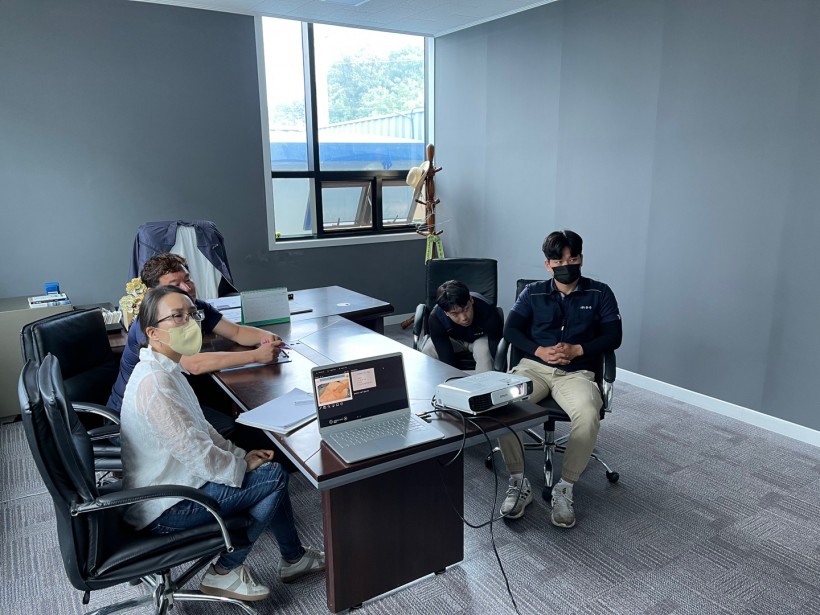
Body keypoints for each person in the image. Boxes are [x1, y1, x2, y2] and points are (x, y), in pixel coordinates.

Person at [120, 285, 324, 602]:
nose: (189, 322)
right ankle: (226, 570)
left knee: (265, 468)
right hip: (167, 506)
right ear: (153, 333)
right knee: (272, 476)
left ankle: (293, 558)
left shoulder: (167, 369)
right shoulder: (156, 384)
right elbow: (196, 454)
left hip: (177, 484)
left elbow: (201, 430)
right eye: (177, 316)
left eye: (192, 314)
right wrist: (240, 465)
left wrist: (240, 455)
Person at [498, 230, 622, 528]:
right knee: (503, 404)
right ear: (548, 264)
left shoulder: (600, 293)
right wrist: (539, 350)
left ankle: (564, 488)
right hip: (534, 368)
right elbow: (510, 330)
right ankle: (518, 481)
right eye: (559, 260)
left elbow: (614, 336)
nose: (566, 265)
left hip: (577, 372)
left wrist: (578, 349)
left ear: (581, 259)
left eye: (572, 258)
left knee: (588, 413)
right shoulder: (532, 293)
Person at [108, 253, 283, 448]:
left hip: (174, 398)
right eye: (175, 284)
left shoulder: (192, 307)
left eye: (187, 280)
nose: (187, 288)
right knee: (234, 427)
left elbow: (237, 332)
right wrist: (255, 356)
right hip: (135, 418)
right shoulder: (150, 323)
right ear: (152, 293)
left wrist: (267, 337)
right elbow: (192, 363)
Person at [420, 280, 503, 373]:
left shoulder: (487, 309)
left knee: (485, 352)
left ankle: (486, 382)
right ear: (446, 312)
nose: (464, 318)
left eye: (466, 309)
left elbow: (494, 343)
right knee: (429, 349)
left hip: (480, 338)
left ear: (471, 300)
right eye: (455, 314)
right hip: (453, 339)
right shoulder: (436, 318)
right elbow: (446, 358)